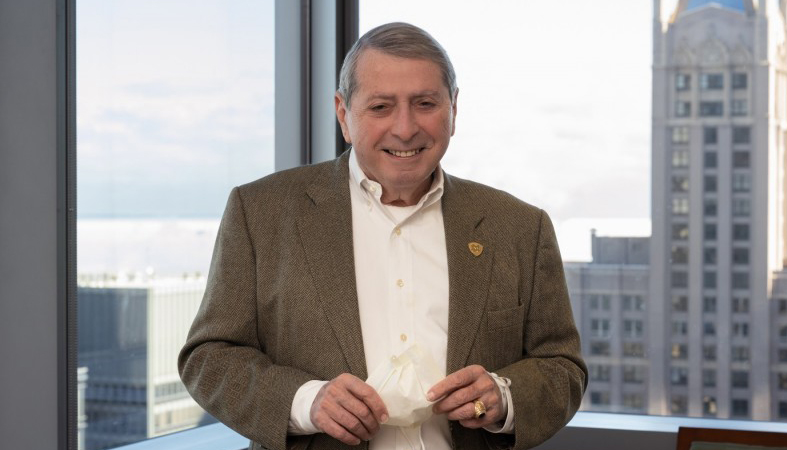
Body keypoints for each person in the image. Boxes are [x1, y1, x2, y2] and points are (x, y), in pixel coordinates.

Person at [179, 22, 586, 450]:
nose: (406, 128)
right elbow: (209, 358)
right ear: (344, 115)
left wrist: (504, 395)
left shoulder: (519, 226)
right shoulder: (260, 212)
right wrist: (305, 401)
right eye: (381, 107)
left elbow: (562, 367)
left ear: (453, 110)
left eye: (425, 103)